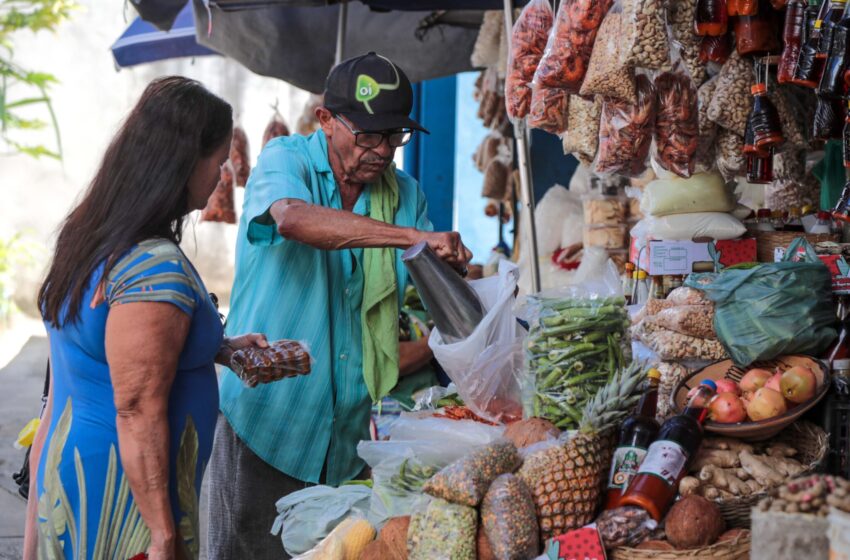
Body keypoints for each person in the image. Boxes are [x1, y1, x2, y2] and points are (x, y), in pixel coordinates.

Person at [206, 52, 471, 559]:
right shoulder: (286, 159)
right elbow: (292, 220)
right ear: (326, 120)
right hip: (269, 424)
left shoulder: (405, 194)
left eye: (395, 137)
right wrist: (411, 237)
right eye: (368, 135)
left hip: (349, 436)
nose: (382, 151)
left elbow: (426, 294)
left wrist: (450, 268)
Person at [24, 76, 269, 560]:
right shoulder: (152, 264)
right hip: (124, 503)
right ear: (182, 162)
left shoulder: (89, 238)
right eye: (218, 162)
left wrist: (216, 347)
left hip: (67, 470)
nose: (221, 176)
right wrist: (162, 536)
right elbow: (136, 408)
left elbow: (84, 365)